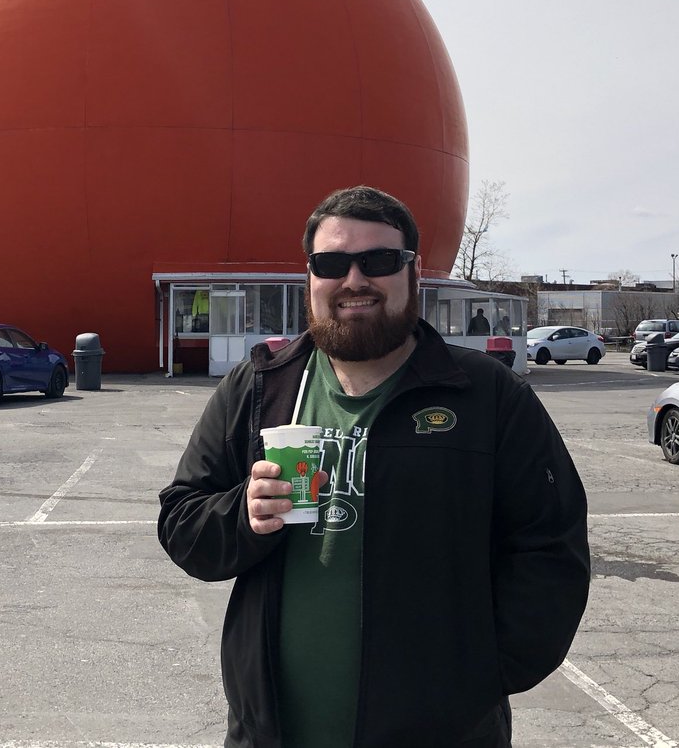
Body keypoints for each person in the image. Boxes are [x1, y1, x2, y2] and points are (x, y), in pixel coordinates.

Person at [158, 185, 590, 748]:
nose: (354, 280)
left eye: (379, 261)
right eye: (332, 263)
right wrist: (241, 514)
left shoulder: (486, 396)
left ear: (413, 273)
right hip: (273, 733)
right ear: (310, 277)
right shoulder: (260, 386)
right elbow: (182, 522)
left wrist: (477, 679)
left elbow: (551, 551)